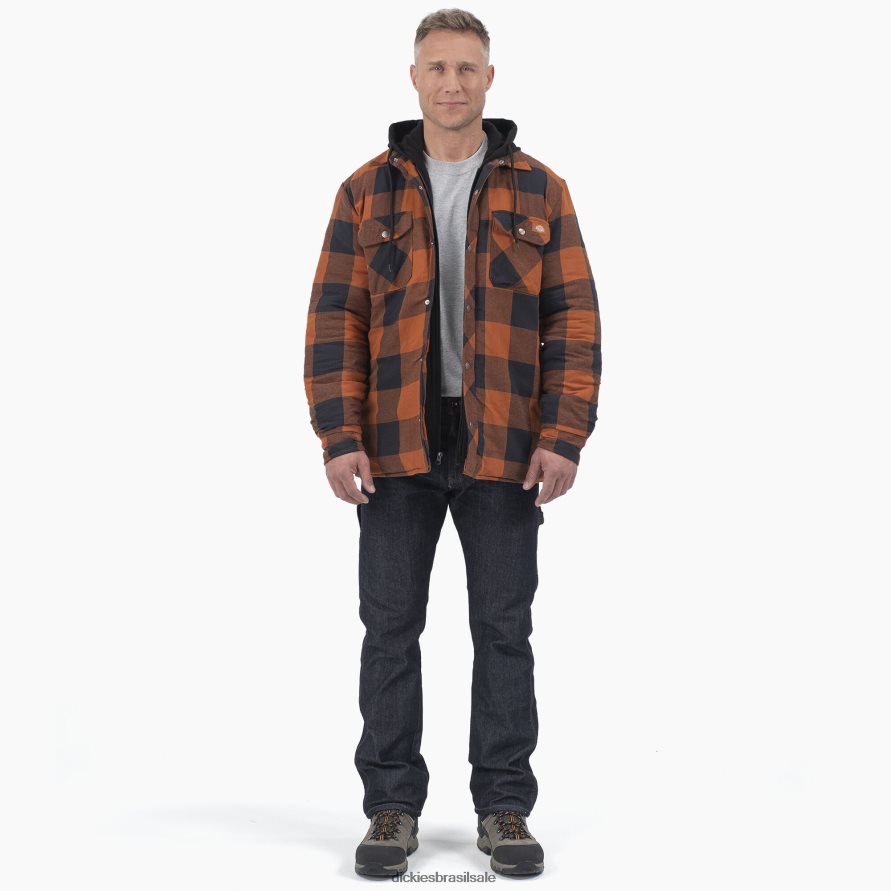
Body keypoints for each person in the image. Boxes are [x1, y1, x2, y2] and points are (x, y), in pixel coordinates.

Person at [303, 8, 602, 879]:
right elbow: (335, 317)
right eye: (436, 67)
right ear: (413, 78)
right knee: (389, 630)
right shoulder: (364, 191)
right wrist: (337, 435)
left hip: (504, 444)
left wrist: (564, 436)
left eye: (466, 68)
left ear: (489, 79)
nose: (451, 83)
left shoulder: (541, 189)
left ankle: (503, 806)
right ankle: (391, 807)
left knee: (503, 629)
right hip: (391, 443)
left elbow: (573, 319)